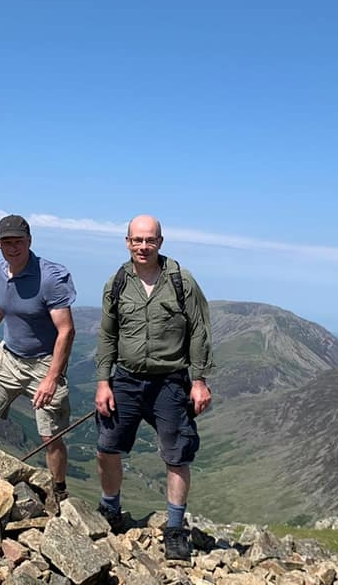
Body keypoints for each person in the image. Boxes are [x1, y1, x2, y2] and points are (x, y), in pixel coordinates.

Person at [94, 214, 213, 561]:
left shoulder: (181, 281)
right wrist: (103, 382)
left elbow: (200, 331)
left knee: (177, 455)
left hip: (170, 382)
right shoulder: (117, 282)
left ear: (160, 242)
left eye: (149, 240)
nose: (143, 246)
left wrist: (200, 380)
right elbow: (107, 335)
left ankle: (175, 530)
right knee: (107, 447)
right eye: (136, 240)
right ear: (127, 241)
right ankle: (110, 510)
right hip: (126, 379)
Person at [0, 214, 76, 501]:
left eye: (18, 242)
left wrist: (52, 378)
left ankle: (59, 491)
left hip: (43, 362)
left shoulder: (51, 278)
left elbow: (66, 330)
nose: (13, 248)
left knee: (49, 437)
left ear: (30, 241)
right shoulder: (1, 271)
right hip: (9, 356)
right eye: (6, 242)